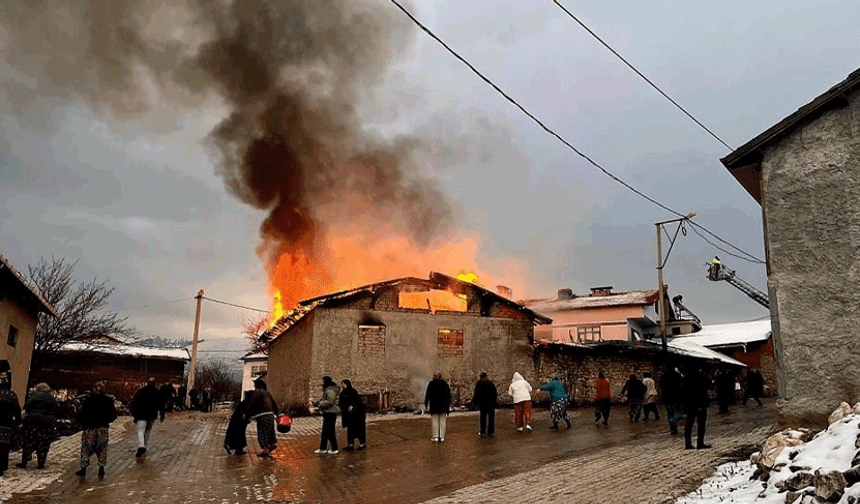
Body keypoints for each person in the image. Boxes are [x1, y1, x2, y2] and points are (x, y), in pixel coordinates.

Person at [74, 381, 117, 477]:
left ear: (93, 389)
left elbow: (81, 414)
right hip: (102, 427)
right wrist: (106, 421)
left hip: (90, 427)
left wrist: (83, 423)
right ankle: (101, 468)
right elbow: (113, 415)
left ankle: (83, 469)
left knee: (86, 448)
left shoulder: (88, 400)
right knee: (102, 448)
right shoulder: (108, 400)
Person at [17, 382, 58, 469]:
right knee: (43, 443)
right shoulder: (51, 398)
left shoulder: (34, 397)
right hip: (46, 422)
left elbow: (27, 406)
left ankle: (24, 461)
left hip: (32, 421)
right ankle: (41, 463)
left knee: (28, 441)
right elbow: (56, 409)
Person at [242, 379, 279, 457]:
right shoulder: (267, 393)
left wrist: (246, 414)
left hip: (262, 416)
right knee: (270, 432)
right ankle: (272, 444)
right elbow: (274, 404)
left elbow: (252, 404)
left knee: (262, 433)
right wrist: (278, 413)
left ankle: (266, 450)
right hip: (270, 415)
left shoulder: (257, 393)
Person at [131, 378, 164, 458]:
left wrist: (134, 414)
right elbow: (161, 404)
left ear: (147, 383)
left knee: (140, 431)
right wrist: (162, 414)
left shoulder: (141, 391)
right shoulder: (157, 392)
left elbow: (134, 402)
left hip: (141, 414)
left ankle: (141, 446)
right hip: (152, 415)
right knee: (148, 430)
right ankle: (144, 446)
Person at [683, 365, 712, 450]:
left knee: (689, 424)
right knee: (701, 425)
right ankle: (700, 443)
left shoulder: (686, 378)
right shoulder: (702, 376)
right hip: (701, 403)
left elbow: (683, 391)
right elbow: (709, 386)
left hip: (690, 404)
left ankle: (688, 443)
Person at [0, 371, 21, 477]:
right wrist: (18, 422)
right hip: (6, 424)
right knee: (4, 445)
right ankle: (3, 466)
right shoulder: (11, 395)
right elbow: (17, 410)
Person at [312, 376, 340, 454]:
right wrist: (317, 403)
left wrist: (320, 404)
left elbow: (330, 401)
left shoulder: (330, 391)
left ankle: (333, 448)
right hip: (328, 413)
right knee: (326, 431)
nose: (321, 384)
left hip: (330, 413)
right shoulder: (329, 390)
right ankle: (323, 448)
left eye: (323, 382)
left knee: (329, 431)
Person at [338, 379, 366, 451]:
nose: (342, 385)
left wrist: (352, 406)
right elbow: (341, 402)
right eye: (342, 384)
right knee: (350, 431)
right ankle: (350, 444)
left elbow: (358, 402)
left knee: (358, 430)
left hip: (356, 415)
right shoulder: (343, 393)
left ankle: (362, 444)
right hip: (348, 416)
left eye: (344, 384)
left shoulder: (353, 391)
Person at [424, 372, 451, 442]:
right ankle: (442, 436)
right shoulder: (445, 384)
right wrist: (448, 404)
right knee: (442, 421)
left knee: (435, 421)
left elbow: (428, 394)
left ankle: (435, 436)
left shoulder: (431, 383)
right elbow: (448, 395)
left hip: (434, 405)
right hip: (443, 405)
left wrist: (426, 404)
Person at [224, 390, 253, 455]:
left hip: (236, 419)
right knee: (240, 434)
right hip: (240, 420)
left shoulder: (244, 402)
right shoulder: (248, 403)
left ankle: (230, 445)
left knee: (235, 433)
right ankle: (238, 449)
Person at [472, 372, 498, 438]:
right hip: (490, 403)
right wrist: (495, 403)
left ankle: (483, 432)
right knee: (491, 418)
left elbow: (476, 394)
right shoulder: (490, 383)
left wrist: (475, 402)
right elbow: (495, 394)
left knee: (483, 418)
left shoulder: (479, 383)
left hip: (483, 403)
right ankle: (491, 432)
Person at [660, 366, 683, 435]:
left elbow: (661, 387)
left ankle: (673, 428)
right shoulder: (678, 376)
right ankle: (674, 425)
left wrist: (660, 398)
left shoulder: (664, 376)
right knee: (676, 412)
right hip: (676, 398)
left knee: (670, 413)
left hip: (667, 398)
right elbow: (682, 386)